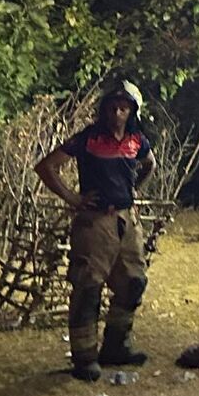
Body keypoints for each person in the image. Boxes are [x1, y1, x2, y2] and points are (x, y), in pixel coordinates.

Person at [36, 80, 158, 380]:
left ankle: (116, 347)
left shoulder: (136, 139)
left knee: (133, 281)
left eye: (124, 108)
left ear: (132, 111)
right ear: (104, 110)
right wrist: (73, 198)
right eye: (113, 107)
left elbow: (149, 164)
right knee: (88, 286)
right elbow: (46, 167)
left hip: (126, 221)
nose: (118, 113)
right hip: (94, 223)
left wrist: (132, 193)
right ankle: (85, 358)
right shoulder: (88, 139)